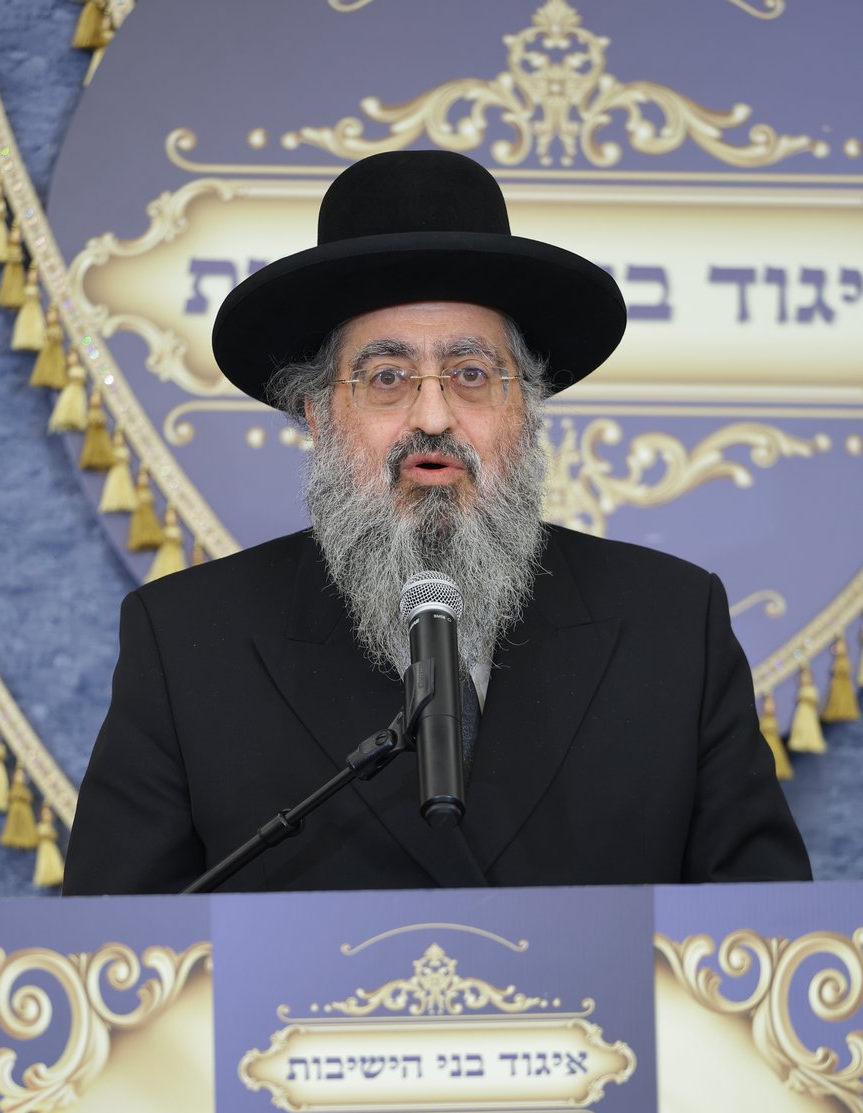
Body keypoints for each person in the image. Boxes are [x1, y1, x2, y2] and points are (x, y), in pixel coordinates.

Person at [63, 151, 810, 894]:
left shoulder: (674, 626)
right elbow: (112, 944)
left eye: (471, 375)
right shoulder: (186, 643)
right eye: (386, 378)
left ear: (525, 411)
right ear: (319, 416)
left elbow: (761, 932)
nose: (431, 416)